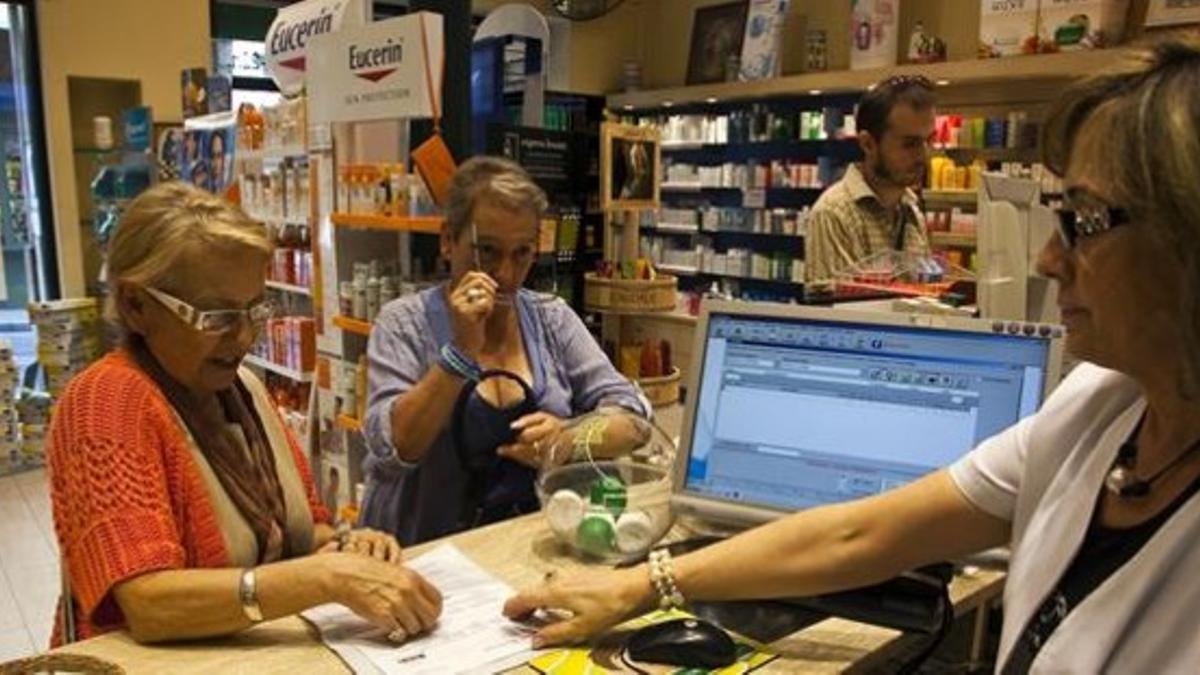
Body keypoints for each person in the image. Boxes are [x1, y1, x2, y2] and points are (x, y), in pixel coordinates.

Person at [506, 40, 1200, 673]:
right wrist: (640, 584)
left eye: (1083, 220)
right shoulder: (1099, 410)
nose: (1050, 258)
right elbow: (860, 531)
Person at [48, 182, 442, 646]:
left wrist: (349, 549)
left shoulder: (241, 388)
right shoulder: (105, 404)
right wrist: (325, 577)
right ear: (136, 306)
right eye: (215, 317)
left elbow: (303, 529)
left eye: (254, 310)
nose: (243, 338)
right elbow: (148, 601)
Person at [359, 156, 650, 545]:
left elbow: (633, 419)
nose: (506, 274)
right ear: (448, 240)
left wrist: (568, 438)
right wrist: (461, 351)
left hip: (526, 549)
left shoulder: (551, 320)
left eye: (522, 253)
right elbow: (395, 448)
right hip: (424, 556)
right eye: (488, 252)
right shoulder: (404, 324)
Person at [804, 75, 935, 286]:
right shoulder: (834, 213)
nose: (923, 155)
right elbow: (837, 312)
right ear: (868, 144)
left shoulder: (911, 210)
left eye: (929, 141)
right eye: (910, 144)